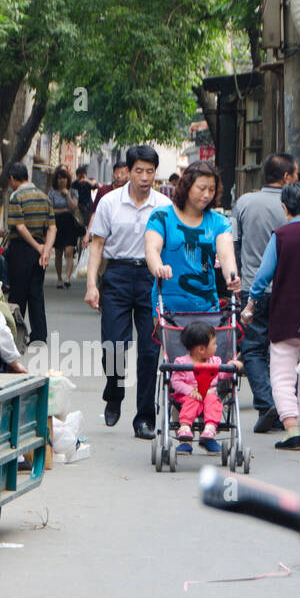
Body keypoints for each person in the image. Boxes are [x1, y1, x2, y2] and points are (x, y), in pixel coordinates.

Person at [85, 145, 172, 439]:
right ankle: (114, 390)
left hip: (151, 279)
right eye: (139, 171)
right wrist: (92, 285)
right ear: (128, 171)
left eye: (150, 171)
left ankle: (145, 418)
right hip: (118, 276)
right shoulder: (109, 203)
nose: (145, 177)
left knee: (150, 351)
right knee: (113, 344)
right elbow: (96, 245)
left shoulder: (164, 205)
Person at [242, 182, 300, 451]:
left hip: (285, 316)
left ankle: (291, 429)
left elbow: (263, 276)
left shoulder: (281, 236)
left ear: (285, 207)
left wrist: (251, 303)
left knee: (282, 374)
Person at [233, 152, 298, 434]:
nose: (297, 179)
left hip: (252, 289)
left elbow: (234, 244)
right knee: (286, 348)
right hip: (287, 291)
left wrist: (236, 279)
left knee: (253, 349)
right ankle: (287, 408)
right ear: (286, 177)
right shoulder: (296, 205)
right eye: (295, 174)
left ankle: (265, 401)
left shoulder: (245, 202)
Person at [145, 160, 240, 316]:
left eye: (212, 189)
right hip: (166, 306)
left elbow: (226, 256)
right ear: (187, 186)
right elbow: (151, 250)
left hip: (206, 305)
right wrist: (158, 268)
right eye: (202, 188)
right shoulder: (162, 216)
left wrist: (232, 276)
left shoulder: (220, 222)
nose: (207, 195)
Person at [168, 320, 242, 455]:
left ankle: (209, 430)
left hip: (209, 394)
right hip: (188, 395)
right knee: (192, 401)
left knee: (213, 401)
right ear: (201, 349)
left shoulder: (215, 362)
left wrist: (232, 366)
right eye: (214, 343)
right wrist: (190, 391)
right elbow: (176, 381)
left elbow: (223, 375)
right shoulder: (182, 362)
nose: (216, 346)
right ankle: (185, 430)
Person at [4, 162, 55, 345]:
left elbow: (19, 226)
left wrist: (36, 246)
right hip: (40, 249)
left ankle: (15, 335)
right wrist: (45, 249)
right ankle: (39, 335)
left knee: (18, 293)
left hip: (22, 248)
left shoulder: (17, 196)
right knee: (36, 293)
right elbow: (52, 227)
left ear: (12, 178)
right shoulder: (44, 197)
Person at [47, 166, 83, 289]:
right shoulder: (51, 193)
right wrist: (65, 209)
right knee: (58, 252)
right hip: (57, 224)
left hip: (70, 224)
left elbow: (74, 207)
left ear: (67, 179)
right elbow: (50, 209)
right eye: (59, 178)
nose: (61, 180)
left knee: (69, 251)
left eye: (63, 178)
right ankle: (59, 278)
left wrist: (67, 194)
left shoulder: (73, 192)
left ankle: (67, 277)